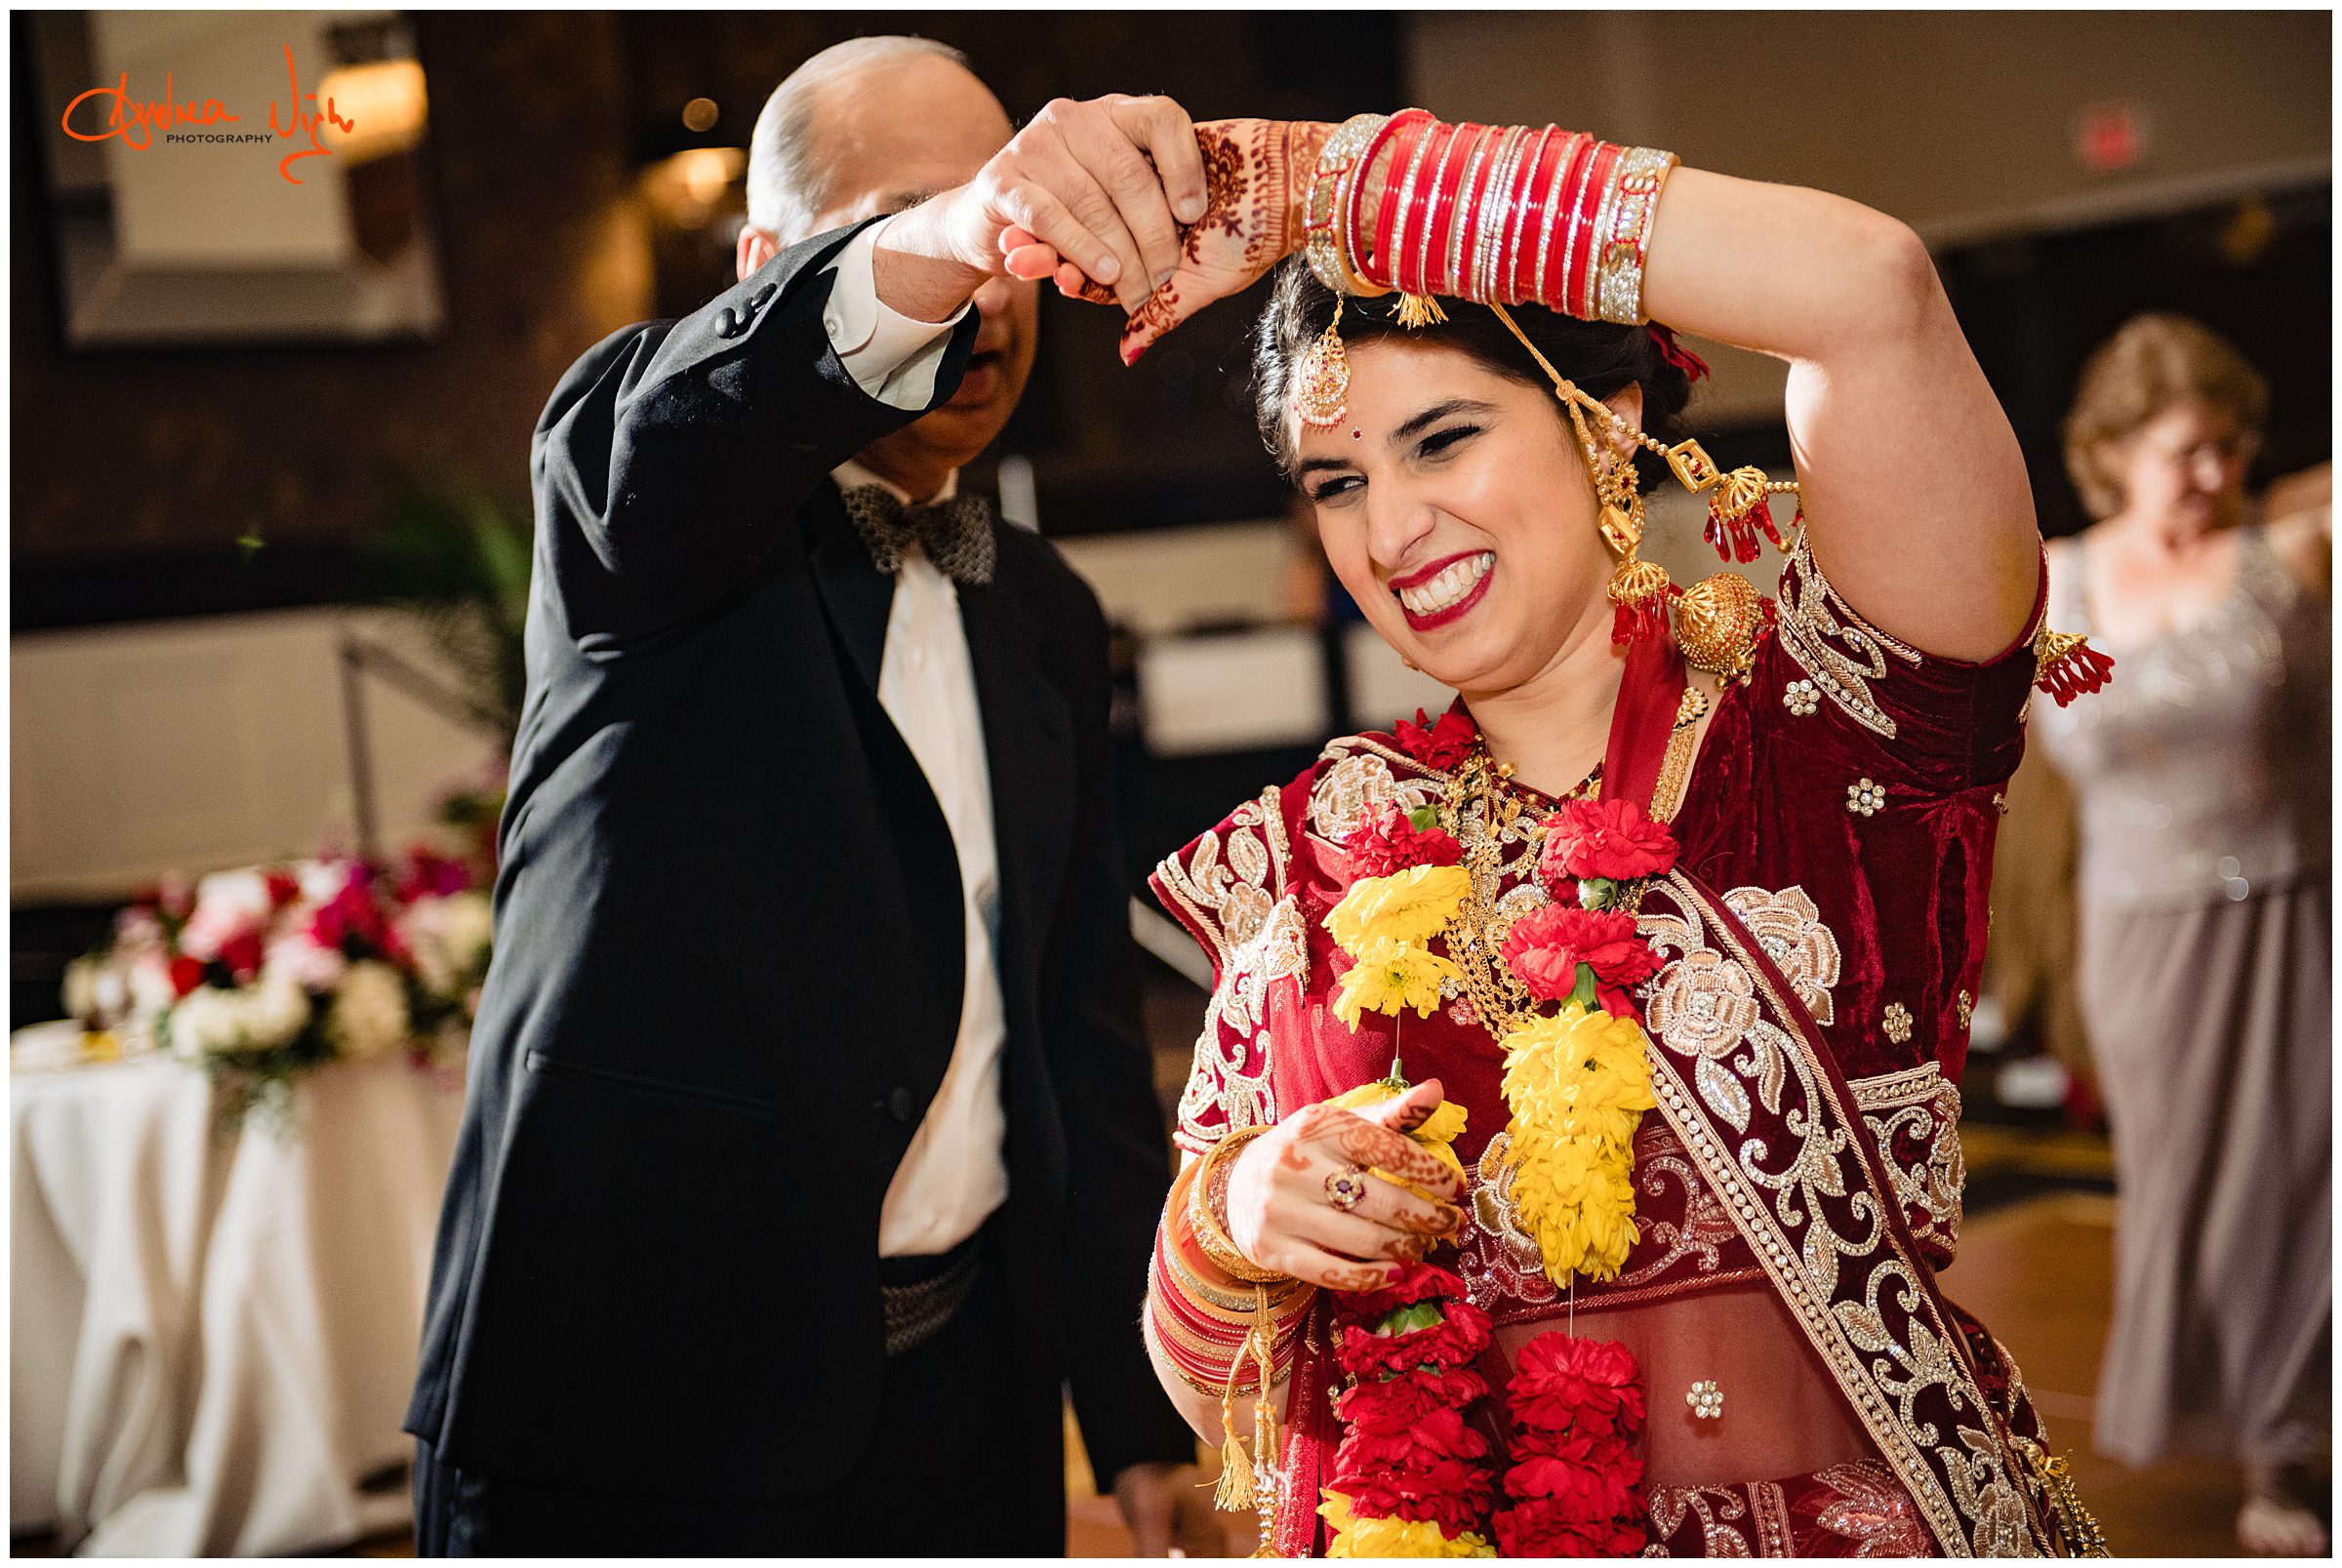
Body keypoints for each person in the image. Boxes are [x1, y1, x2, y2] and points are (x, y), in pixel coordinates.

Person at [1009, 107, 2116, 1554]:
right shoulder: (1317, 852)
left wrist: (1325, 186)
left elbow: (1871, 291)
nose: (1389, 532)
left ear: (1604, 418)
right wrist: (1236, 1223)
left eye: (1443, 439)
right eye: (1340, 483)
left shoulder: (1834, 728)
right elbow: (1206, 1389)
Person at [402, 37, 1213, 1554]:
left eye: (1018, 235)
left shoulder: (1042, 608)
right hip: (645, 1418)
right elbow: (692, 412)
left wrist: (1135, 1407)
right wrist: (952, 232)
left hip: (969, 1408)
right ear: (764, 265)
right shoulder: (650, 517)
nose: (992, 284)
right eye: (926, 220)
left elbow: (1077, 1031)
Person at [2035, 314, 2329, 1556]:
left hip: (2290, 914)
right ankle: (2228, 1414)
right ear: (2111, 452)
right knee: (2185, 1190)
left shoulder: (2292, 549)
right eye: (2184, 450)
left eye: (2230, 446)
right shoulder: (2052, 575)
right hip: (2138, 933)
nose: (2213, 473)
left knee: (2300, 1181)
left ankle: (2286, 1449)